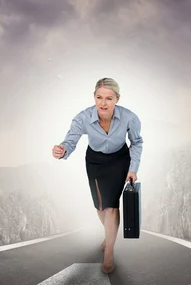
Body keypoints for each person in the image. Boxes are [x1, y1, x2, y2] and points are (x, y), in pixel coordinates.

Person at [51, 77, 143, 274]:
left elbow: (137, 142)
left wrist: (133, 168)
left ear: (117, 99)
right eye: (99, 97)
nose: (103, 102)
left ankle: (109, 250)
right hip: (95, 162)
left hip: (120, 160)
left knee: (111, 206)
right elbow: (71, 140)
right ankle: (109, 234)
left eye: (109, 98)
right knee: (100, 206)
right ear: (94, 97)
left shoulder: (130, 117)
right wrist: (62, 150)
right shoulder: (82, 118)